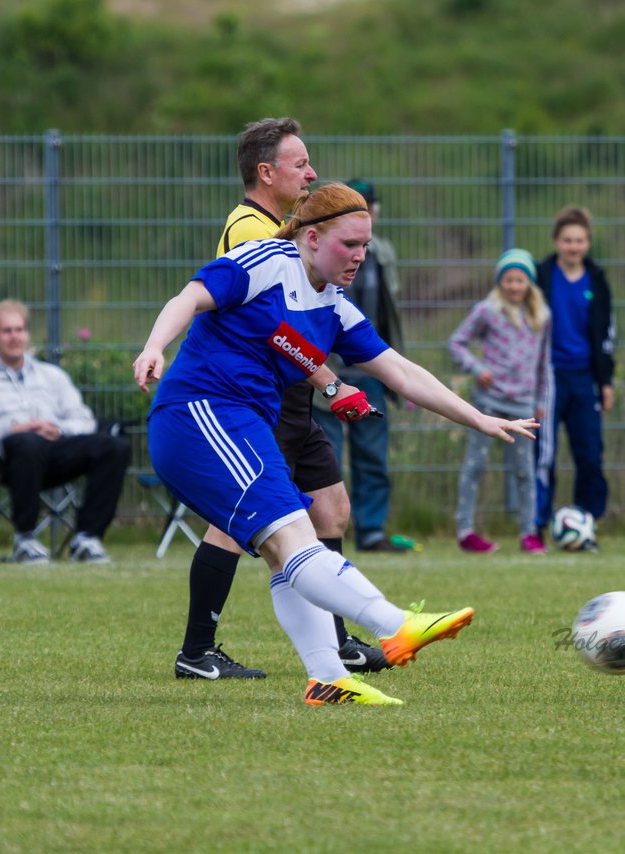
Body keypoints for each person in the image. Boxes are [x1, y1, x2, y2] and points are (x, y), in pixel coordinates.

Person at [133, 183, 539, 705]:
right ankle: (397, 624)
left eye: (366, 245)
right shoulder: (266, 260)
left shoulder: (333, 305)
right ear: (311, 236)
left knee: (286, 549)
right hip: (199, 414)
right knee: (294, 537)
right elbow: (189, 296)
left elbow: (400, 371)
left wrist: (477, 417)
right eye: (350, 244)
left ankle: (329, 677)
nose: (360, 256)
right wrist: (153, 346)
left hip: (247, 423)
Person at [175, 117, 385, 681]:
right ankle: (198, 650)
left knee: (329, 507)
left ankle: (336, 642)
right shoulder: (252, 231)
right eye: (299, 164)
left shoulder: (286, 224)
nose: (312, 173)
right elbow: (276, 328)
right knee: (243, 523)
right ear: (266, 173)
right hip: (256, 395)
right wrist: (332, 383)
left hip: (286, 393)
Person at [0, 300, 130, 565]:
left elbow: (84, 420)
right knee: (27, 442)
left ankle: (87, 538)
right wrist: (13, 429)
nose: (15, 337)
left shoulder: (52, 375)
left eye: (20, 330)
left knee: (114, 446)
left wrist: (56, 429)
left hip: (55, 448)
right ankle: (25, 539)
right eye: (7, 331)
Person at [315, 178, 410, 553]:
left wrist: (399, 370)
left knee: (373, 453)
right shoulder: (318, 253)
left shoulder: (381, 254)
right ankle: (324, 532)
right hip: (323, 371)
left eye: (370, 204)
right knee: (326, 456)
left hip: (369, 369)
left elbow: (391, 312)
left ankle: (371, 529)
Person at [449, 249, 553, 554]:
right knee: (475, 465)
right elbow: (457, 342)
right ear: (500, 282)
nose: (514, 285)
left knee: (525, 471)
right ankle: (466, 531)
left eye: (520, 280)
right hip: (489, 404)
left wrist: (541, 400)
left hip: (523, 405)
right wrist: (477, 368)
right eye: (508, 279)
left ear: (529, 283)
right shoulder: (486, 311)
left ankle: (529, 533)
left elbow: (544, 362)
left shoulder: (541, 317)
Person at [534, 205, 616, 544]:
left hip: (584, 378)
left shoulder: (597, 280)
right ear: (556, 241)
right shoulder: (541, 275)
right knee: (544, 454)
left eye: (579, 240)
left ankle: (587, 521)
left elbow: (607, 333)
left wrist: (605, 380)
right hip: (548, 380)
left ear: (588, 243)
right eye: (567, 240)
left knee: (589, 453)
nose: (573, 246)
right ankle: (536, 523)